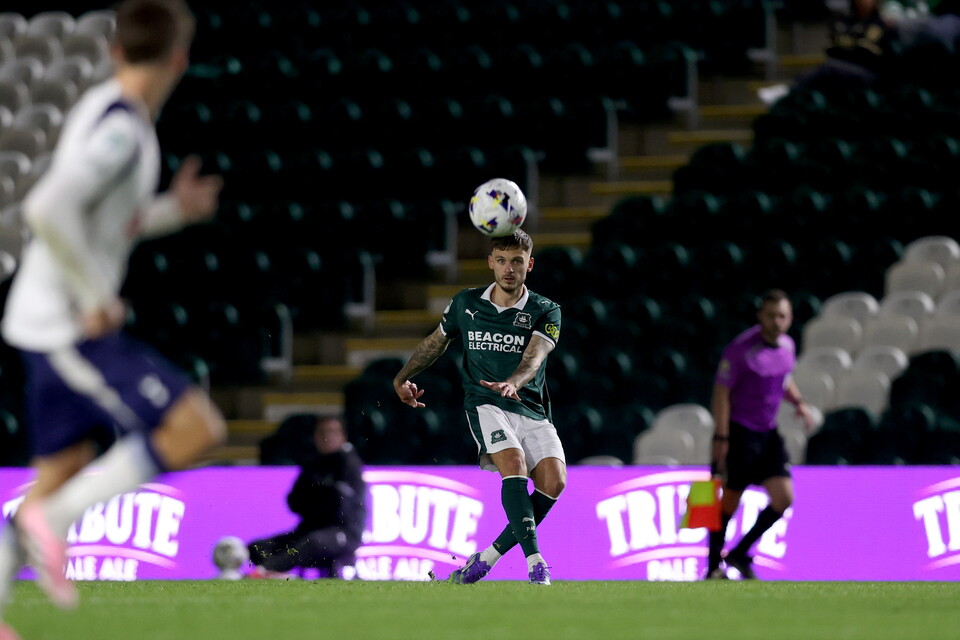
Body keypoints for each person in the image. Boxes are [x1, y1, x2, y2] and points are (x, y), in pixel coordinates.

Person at [0, 1, 225, 637]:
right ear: (179, 60)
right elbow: (47, 209)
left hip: (44, 319)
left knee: (57, 475)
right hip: (66, 324)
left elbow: (101, 220)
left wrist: (173, 211)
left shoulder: (105, 110)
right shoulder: (124, 131)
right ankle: (61, 520)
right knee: (195, 427)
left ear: (114, 52)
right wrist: (94, 292)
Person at [393, 228, 565, 586]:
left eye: (517, 261)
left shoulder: (546, 309)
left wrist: (514, 382)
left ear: (529, 265)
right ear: (490, 262)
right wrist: (402, 376)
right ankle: (536, 564)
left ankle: (485, 559)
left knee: (554, 482)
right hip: (485, 402)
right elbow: (436, 342)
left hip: (529, 405)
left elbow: (535, 357)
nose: (508, 269)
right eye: (501, 260)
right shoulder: (465, 303)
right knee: (514, 464)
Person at [706, 289, 814, 580]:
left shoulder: (788, 347)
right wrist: (723, 437)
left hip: (768, 433)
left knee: (784, 498)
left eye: (782, 316)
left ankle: (740, 553)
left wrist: (799, 403)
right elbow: (722, 392)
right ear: (760, 316)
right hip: (740, 433)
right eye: (771, 315)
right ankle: (714, 565)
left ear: (790, 319)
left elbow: (784, 380)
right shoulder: (741, 349)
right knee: (729, 501)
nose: (776, 321)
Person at [247, 417, 366, 578]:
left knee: (313, 542)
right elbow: (294, 501)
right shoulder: (312, 465)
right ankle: (277, 574)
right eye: (322, 432)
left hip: (343, 533)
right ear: (315, 437)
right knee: (257, 547)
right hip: (309, 530)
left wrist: (318, 497)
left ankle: (267, 570)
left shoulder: (349, 463)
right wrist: (319, 498)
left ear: (343, 436)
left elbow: (342, 507)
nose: (327, 437)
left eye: (333, 432)